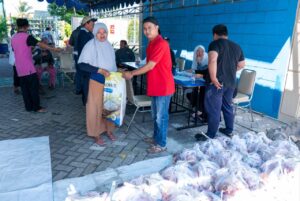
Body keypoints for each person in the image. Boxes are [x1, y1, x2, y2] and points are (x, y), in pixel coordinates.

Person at [123, 16, 175, 153]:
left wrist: (132, 73)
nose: (146, 31)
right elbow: (148, 64)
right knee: (155, 116)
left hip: (163, 87)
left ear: (157, 27)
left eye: (149, 28)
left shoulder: (161, 43)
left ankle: (162, 144)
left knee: (161, 117)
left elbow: (150, 66)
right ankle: (156, 138)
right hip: (155, 86)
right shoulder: (151, 44)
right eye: (145, 29)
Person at [195, 24, 245, 141]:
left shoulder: (215, 44)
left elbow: (212, 60)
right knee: (227, 106)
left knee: (214, 109)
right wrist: (230, 71)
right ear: (226, 34)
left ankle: (211, 134)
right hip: (231, 83)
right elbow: (242, 65)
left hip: (217, 83)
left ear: (215, 34)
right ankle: (228, 130)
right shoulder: (237, 46)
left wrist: (213, 78)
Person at [78, 23, 117, 145]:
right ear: (95, 33)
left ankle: (109, 130)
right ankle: (96, 133)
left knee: (110, 107)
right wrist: (99, 70)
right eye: (99, 32)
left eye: (104, 32)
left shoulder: (109, 46)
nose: (102, 35)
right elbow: (82, 64)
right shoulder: (90, 45)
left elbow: (112, 64)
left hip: (110, 83)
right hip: (96, 81)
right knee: (95, 108)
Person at [11, 18, 60, 113]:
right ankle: (37, 107)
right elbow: (41, 44)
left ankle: (28, 107)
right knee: (33, 88)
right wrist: (53, 49)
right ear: (26, 26)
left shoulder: (14, 38)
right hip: (28, 67)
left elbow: (17, 50)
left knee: (25, 89)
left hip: (19, 67)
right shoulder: (27, 37)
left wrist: (30, 49)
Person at [77, 16, 97, 105]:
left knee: (86, 83)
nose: (93, 26)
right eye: (92, 24)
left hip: (86, 63)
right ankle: (87, 102)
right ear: (86, 24)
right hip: (86, 63)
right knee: (86, 83)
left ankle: (86, 101)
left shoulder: (86, 33)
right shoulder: (84, 35)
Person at [186, 45, 208, 121]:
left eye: (201, 51)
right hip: (201, 81)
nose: (199, 53)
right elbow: (194, 70)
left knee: (201, 92)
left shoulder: (208, 59)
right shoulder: (195, 58)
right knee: (194, 92)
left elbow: (206, 72)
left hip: (207, 81)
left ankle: (199, 111)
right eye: (198, 51)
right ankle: (196, 109)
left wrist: (199, 63)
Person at [69, 24, 82, 95]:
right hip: (84, 54)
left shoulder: (74, 32)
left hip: (76, 53)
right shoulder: (87, 32)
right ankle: (83, 88)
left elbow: (70, 43)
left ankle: (78, 89)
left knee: (78, 71)